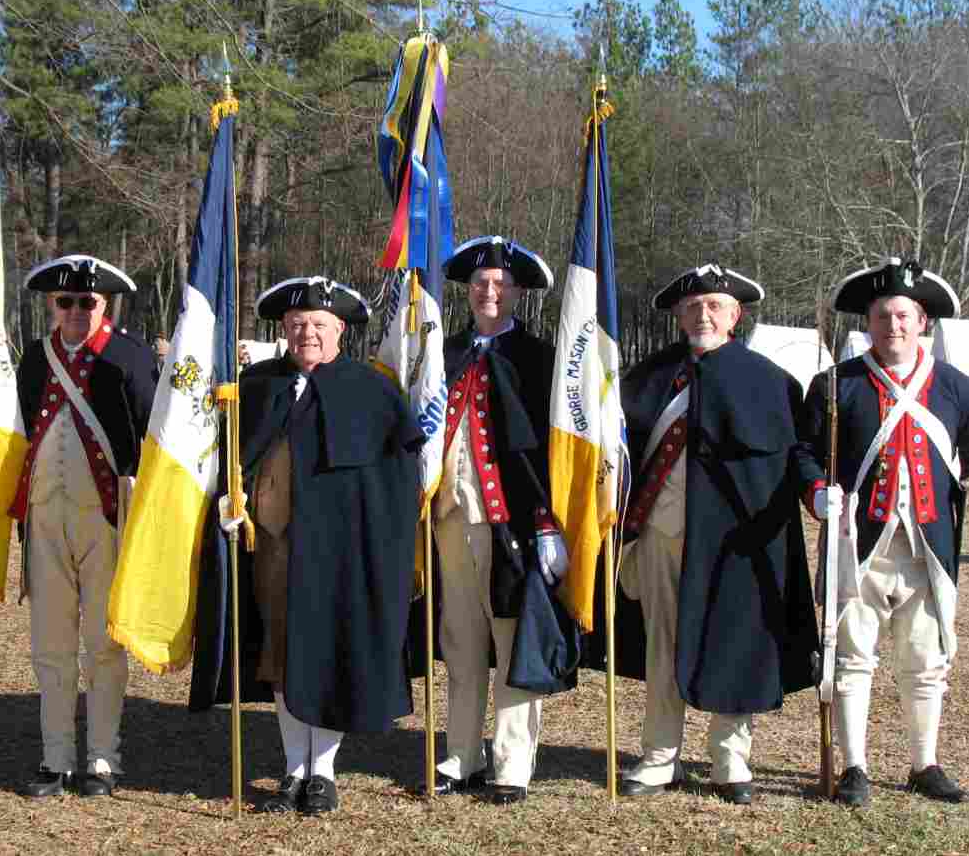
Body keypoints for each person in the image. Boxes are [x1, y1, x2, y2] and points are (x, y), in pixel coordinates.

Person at [189, 276, 424, 816]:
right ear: (283, 331)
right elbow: (228, 459)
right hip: (270, 547)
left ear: (340, 328)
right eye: (297, 325)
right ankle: (294, 769)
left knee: (330, 655)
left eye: (319, 324)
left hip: (340, 556)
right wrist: (227, 500)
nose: (307, 333)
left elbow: (395, 485)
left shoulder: (371, 391)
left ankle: (324, 771)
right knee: (280, 655)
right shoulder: (257, 385)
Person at [599, 264, 817, 806]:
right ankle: (657, 758)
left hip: (734, 544)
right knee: (661, 648)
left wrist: (817, 495)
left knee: (734, 646)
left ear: (736, 315)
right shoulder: (648, 377)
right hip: (660, 534)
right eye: (694, 306)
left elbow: (794, 458)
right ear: (678, 314)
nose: (704, 314)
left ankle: (729, 760)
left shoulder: (771, 382)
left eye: (715, 305)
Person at [796, 257, 969, 807]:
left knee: (926, 660)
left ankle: (924, 764)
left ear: (922, 321)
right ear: (870, 323)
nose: (894, 326)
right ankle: (855, 767)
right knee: (853, 656)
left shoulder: (957, 386)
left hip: (928, 547)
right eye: (883, 315)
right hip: (858, 544)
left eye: (904, 315)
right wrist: (818, 493)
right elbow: (806, 453)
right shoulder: (836, 385)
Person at [423, 235, 577, 806]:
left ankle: (512, 762)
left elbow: (550, 453)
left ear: (517, 292)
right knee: (460, 641)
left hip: (510, 524)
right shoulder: (444, 352)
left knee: (514, 640)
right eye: (481, 283)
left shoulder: (538, 360)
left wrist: (546, 522)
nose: (490, 291)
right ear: (469, 292)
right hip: (448, 518)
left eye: (500, 283)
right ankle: (460, 754)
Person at [9, 254, 158, 798]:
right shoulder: (34, 358)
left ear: (105, 305)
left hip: (107, 517)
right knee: (49, 643)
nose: (75, 311)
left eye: (86, 302)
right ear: (54, 305)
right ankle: (54, 759)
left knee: (102, 642)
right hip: (44, 517)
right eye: (65, 302)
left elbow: (153, 436)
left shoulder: (129, 356)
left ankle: (101, 758)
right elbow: (21, 426)